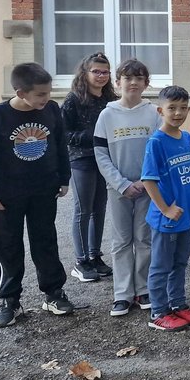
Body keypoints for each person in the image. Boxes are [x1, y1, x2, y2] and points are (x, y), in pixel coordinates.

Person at [0, 63, 75, 327]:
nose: (46, 98)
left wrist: (63, 178)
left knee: (45, 240)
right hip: (7, 193)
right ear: (20, 92)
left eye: (49, 92)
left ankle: (53, 293)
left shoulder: (51, 109)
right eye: (40, 94)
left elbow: (59, 145)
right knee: (7, 245)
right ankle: (9, 300)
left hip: (44, 189)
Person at [94, 59, 161, 317]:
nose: (133, 82)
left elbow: (158, 151)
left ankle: (143, 289)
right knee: (121, 240)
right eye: (128, 78)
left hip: (147, 187)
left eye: (139, 78)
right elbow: (101, 155)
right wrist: (121, 184)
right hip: (118, 188)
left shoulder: (154, 113)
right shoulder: (107, 115)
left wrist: (146, 181)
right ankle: (122, 294)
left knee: (144, 238)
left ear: (146, 83)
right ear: (118, 82)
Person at [142, 86, 190, 331]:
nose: (178, 113)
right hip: (166, 218)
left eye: (183, 108)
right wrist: (165, 208)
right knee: (161, 266)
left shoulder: (187, 138)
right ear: (161, 111)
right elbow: (148, 180)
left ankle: (178, 304)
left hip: (186, 215)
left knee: (180, 263)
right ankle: (158, 312)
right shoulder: (156, 142)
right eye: (172, 108)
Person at [61, 53, 118, 283]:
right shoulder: (73, 99)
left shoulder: (110, 99)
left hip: (104, 159)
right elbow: (63, 133)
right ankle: (81, 261)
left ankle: (95, 256)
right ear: (85, 73)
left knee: (99, 208)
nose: (101, 76)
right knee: (83, 209)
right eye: (96, 71)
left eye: (105, 72)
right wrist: (91, 137)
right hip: (81, 159)